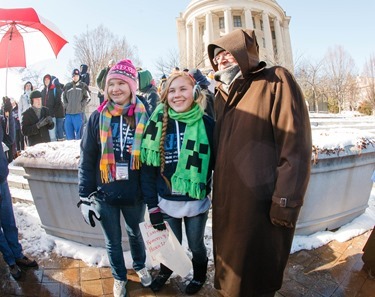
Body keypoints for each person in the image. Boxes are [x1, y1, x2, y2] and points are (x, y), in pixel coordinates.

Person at [207, 29, 312, 297]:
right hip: (228, 205)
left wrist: (285, 201)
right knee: (232, 278)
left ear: (245, 52)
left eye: (229, 52)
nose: (222, 60)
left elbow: (296, 147)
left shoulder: (275, 80)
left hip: (263, 207)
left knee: (256, 279)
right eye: (217, 56)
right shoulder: (220, 96)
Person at [78, 59, 151, 297]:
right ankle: (119, 277)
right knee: (112, 241)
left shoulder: (143, 116)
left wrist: (149, 194)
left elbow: (151, 160)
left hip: (134, 193)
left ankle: (140, 266)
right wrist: (84, 195)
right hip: (104, 193)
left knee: (134, 234)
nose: (115, 89)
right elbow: (87, 158)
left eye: (121, 83)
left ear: (132, 86)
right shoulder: (97, 118)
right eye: (111, 83)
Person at [140, 72, 214, 294]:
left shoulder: (208, 124)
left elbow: (219, 163)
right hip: (166, 202)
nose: (177, 95)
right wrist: (152, 206)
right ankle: (166, 271)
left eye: (183, 89)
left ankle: (200, 275)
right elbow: (147, 171)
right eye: (172, 90)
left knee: (196, 245)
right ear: (165, 95)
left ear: (194, 92)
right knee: (169, 245)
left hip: (195, 202)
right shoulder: (156, 125)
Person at [0, 101, 37, 280]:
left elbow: (10, 141)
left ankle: (17, 255)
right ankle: (10, 261)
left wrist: (7, 118)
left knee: (9, 222)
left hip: (1, 179)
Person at [63, 69, 89, 140]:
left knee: (79, 137)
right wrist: (66, 106)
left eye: (77, 76)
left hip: (78, 114)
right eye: (74, 76)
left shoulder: (83, 86)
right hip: (68, 114)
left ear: (79, 76)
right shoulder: (67, 86)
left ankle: (79, 150)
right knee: (69, 136)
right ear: (72, 76)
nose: (75, 77)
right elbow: (63, 98)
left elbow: (88, 97)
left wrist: (81, 106)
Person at [41, 74, 61, 142]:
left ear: (50, 81)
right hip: (44, 118)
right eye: (45, 80)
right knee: (45, 136)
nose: (46, 81)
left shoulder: (53, 90)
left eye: (48, 80)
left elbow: (58, 102)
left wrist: (53, 112)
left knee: (52, 136)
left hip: (51, 116)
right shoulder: (42, 91)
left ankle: (54, 151)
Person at [51, 76, 65, 141]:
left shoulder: (56, 90)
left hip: (57, 112)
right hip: (60, 113)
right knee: (60, 128)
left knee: (57, 128)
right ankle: (61, 139)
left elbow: (57, 101)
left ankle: (59, 139)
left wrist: (54, 109)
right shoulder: (61, 89)